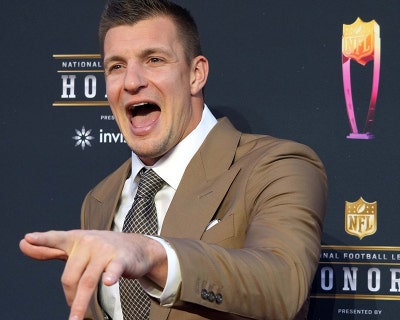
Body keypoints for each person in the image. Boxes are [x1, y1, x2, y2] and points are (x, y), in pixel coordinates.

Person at [19, 0, 327, 319]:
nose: (131, 81)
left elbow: (282, 285)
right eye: (116, 66)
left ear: (196, 74)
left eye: (154, 59)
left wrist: (153, 253)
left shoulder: (277, 166)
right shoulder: (100, 199)